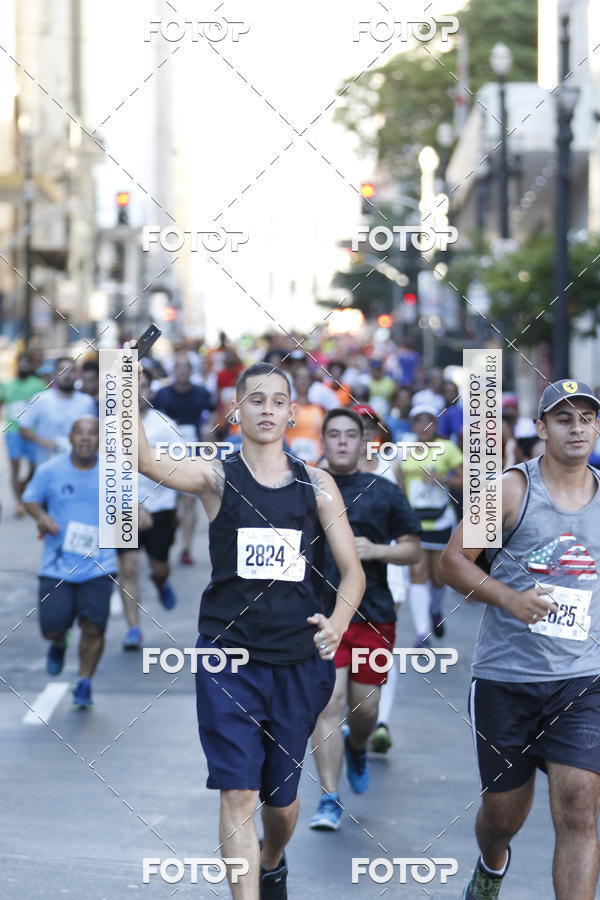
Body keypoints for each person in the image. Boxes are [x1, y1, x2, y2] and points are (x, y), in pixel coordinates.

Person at [134, 353, 365, 900]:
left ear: (292, 413)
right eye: (255, 399)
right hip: (227, 658)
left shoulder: (318, 485)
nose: (266, 409)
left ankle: (273, 857)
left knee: (280, 804)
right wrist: (123, 382)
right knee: (237, 793)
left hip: (296, 661)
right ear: (236, 410)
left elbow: (352, 571)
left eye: (277, 401)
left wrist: (337, 622)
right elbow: (141, 459)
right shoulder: (217, 477)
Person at [440, 379, 600, 900]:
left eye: (586, 418)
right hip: (506, 680)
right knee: (504, 815)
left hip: (581, 680)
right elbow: (451, 562)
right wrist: (511, 599)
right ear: (541, 429)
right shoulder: (511, 490)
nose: (577, 428)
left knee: (579, 806)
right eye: (563, 418)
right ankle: (491, 862)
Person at [310, 408, 421, 830]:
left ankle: (357, 747)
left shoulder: (383, 491)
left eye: (349, 435)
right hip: (321, 615)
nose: (341, 442)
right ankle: (329, 797)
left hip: (374, 615)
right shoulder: (306, 487)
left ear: (362, 443)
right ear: (323, 441)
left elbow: (413, 547)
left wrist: (377, 550)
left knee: (364, 710)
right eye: (333, 434)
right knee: (329, 704)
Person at [22, 417, 117, 708]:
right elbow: (31, 498)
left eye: (93, 433)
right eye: (80, 433)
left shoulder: (113, 472)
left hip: (100, 565)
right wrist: (41, 517)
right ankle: (59, 643)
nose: (86, 438)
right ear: (71, 437)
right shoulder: (51, 470)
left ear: (100, 439)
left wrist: (141, 515)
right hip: (57, 566)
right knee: (52, 627)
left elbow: (132, 504)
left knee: (94, 628)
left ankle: (85, 682)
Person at [119, 368, 179, 650]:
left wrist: (146, 504)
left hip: (159, 507)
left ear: (150, 392)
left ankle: (161, 582)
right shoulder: (110, 425)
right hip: (120, 507)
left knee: (159, 567)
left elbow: (177, 471)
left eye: (142, 386)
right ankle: (133, 629)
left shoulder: (165, 426)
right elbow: (107, 471)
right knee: (127, 569)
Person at [397, 405, 462, 645]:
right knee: (417, 573)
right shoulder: (403, 449)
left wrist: (442, 478)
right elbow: (398, 480)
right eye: (418, 421)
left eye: (429, 422)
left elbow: (465, 479)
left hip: (440, 521)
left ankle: (435, 611)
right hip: (414, 521)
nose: (423, 427)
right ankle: (422, 632)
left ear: (435, 425)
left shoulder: (447, 448)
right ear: (412, 425)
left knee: (437, 577)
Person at [154, 352, 216, 565]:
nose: (182, 371)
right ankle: (172, 536)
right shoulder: (161, 394)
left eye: (185, 367)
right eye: (178, 367)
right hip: (168, 454)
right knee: (172, 506)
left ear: (191, 370)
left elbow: (214, 414)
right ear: (173, 370)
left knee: (189, 501)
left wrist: (209, 435)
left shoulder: (201, 393)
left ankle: (186, 548)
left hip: (192, 453)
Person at [19, 356, 96, 467]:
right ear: (54, 374)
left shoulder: (86, 402)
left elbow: (94, 432)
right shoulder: (40, 399)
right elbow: (24, 427)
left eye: (72, 371)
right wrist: (45, 442)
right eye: (62, 370)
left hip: (77, 466)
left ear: (77, 375)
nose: (67, 374)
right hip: (46, 465)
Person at [0, 351, 45, 515]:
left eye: (27, 363)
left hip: (32, 433)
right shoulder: (7, 385)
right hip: (13, 432)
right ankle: (19, 503)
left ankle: (24, 486)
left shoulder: (38, 385)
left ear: (31, 365)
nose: (23, 366)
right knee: (15, 468)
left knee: (34, 467)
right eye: (21, 363)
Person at [285, 364, 325, 464]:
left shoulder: (320, 409)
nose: (303, 381)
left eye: (306, 378)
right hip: (292, 463)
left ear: (311, 382)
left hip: (315, 465)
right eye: (299, 378)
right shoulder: (286, 408)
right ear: (293, 382)